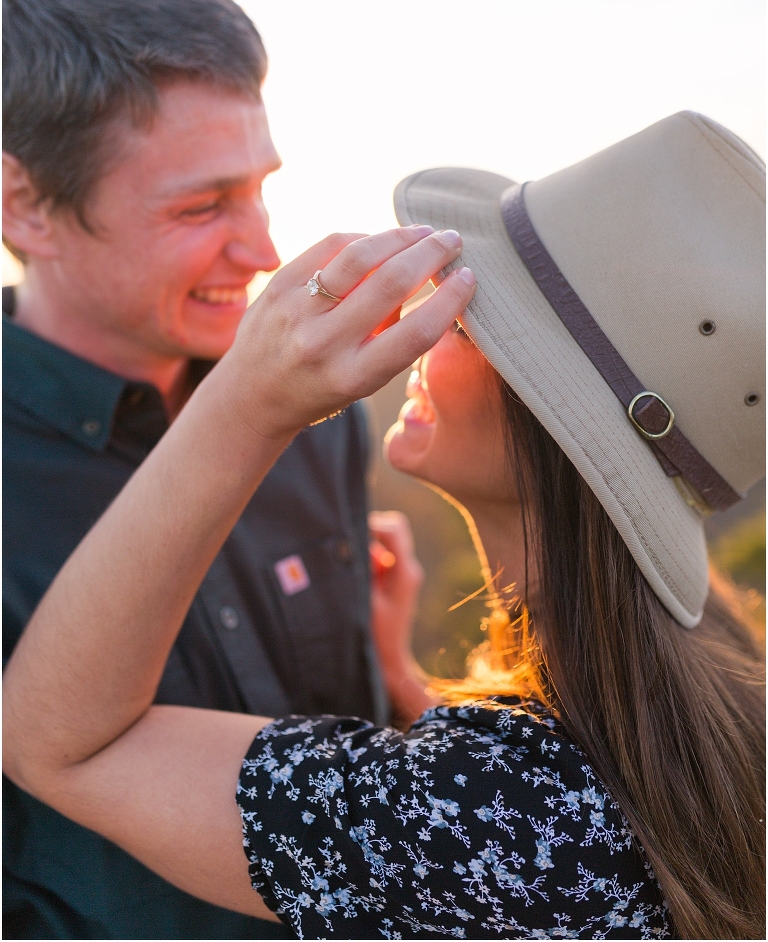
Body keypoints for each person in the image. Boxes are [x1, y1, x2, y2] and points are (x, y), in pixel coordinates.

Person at [3, 113, 765, 940]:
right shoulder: (722, 692)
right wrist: (406, 683)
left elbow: (57, 742)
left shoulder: (482, 805)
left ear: (556, 424)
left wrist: (247, 402)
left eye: (472, 317)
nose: (426, 318)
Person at [2, 0, 393, 940]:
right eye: (202, 206)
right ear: (25, 207)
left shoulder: (323, 419)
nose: (263, 249)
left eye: (259, 186)